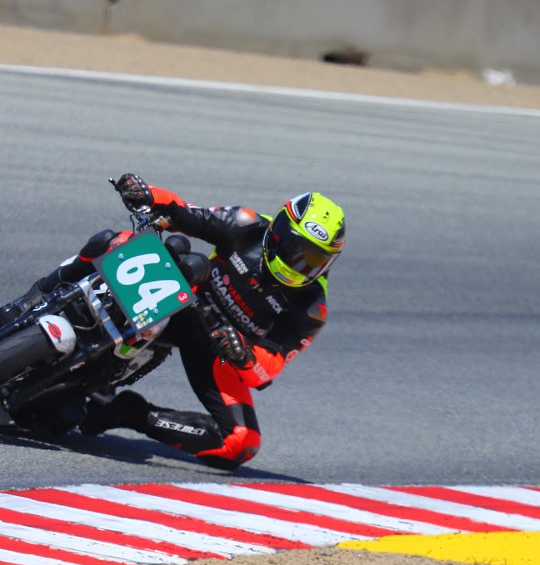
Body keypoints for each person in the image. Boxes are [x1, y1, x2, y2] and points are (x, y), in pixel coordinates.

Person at [72, 173, 347, 470]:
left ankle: (129, 413)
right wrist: (147, 193)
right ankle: (46, 292)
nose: (299, 264)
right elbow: (182, 212)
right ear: (279, 232)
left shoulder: (311, 307)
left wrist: (243, 354)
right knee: (122, 242)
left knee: (242, 442)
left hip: (219, 350)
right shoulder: (247, 224)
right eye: (295, 250)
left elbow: (268, 369)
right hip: (181, 300)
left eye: (313, 259)